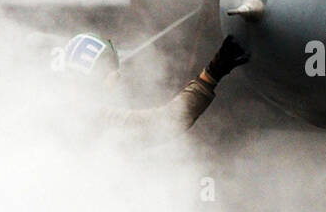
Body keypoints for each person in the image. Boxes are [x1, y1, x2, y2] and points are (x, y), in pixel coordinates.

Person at [54, 32, 249, 135]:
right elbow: (165, 123)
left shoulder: (47, 107)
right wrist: (210, 76)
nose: (118, 78)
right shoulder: (93, 118)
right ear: (97, 74)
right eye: (114, 72)